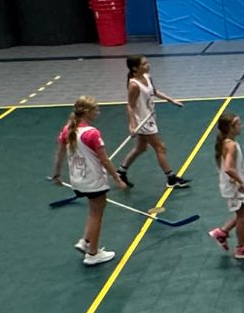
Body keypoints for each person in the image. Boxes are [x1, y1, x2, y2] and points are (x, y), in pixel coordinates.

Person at [50, 95, 128, 267]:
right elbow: (105, 160)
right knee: (97, 214)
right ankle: (93, 253)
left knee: (93, 211)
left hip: (78, 180)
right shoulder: (92, 133)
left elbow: (59, 155)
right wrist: (117, 178)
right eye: (96, 110)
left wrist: (56, 175)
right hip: (93, 181)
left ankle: (85, 241)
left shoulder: (67, 130)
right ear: (87, 112)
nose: (98, 113)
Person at [117, 55, 189, 190]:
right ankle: (171, 178)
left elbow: (154, 92)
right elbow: (130, 106)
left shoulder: (147, 77)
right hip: (143, 122)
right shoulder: (133, 85)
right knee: (160, 147)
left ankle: (121, 172)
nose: (147, 65)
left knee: (140, 148)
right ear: (135, 68)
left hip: (150, 117)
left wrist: (171, 100)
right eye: (144, 64)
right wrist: (132, 125)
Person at [208, 113, 244, 260]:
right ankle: (242, 248)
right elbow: (228, 168)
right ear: (231, 128)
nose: (241, 126)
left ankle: (222, 232)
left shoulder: (228, 143)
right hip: (234, 186)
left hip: (236, 183)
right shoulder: (231, 145)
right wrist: (239, 182)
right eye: (238, 124)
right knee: (242, 215)